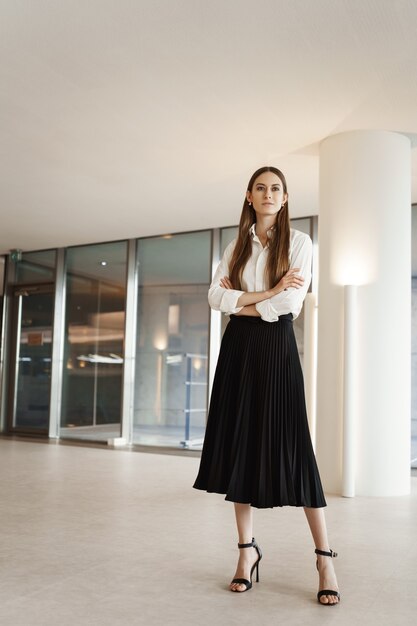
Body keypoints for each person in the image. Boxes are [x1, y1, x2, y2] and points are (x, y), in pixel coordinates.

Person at [193, 166, 340, 606]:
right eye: (261, 188)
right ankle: (245, 552)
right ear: (249, 196)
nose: (269, 194)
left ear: (285, 196)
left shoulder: (299, 243)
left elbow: (290, 302)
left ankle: (325, 557)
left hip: (276, 349)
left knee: (293, 445)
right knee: (240, 443)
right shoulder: (236, 245)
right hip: (237, 350)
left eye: (276, 188)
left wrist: (245, 301)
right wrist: (266, 292)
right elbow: (214, 298)